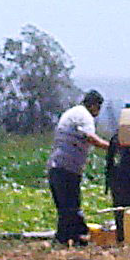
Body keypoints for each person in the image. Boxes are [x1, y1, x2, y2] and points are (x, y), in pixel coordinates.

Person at [47, 90, 109, 245]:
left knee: (65, 208)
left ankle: (64, 239)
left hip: (57, 166)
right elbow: (90, 137)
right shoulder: (84, 116)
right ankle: (80, 236)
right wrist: (111, 147)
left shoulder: (72, 112)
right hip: (67, 168)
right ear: (94, 105)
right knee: (71, 206)